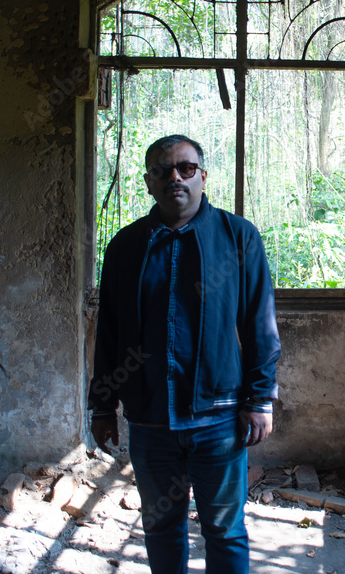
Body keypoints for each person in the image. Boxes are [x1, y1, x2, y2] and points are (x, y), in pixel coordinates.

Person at [88, 134, 281, 573]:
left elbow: (260, 326)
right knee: (160, 527)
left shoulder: (238, 239)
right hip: (151, 420)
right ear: (149, 182)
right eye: (163, 170)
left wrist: (260, 398)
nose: (175, 177)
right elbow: (109, 333)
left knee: (225, 530)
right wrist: (102, 405)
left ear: (202, 177)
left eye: (186, 168)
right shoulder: (126, 247)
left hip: (220, 418)